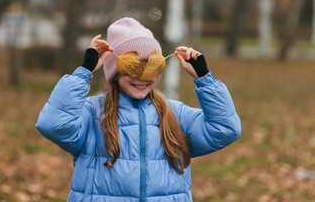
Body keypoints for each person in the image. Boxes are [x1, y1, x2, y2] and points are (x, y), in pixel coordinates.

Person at [36, 17, 241, 202]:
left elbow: (225, 129)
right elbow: (53, 124)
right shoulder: (92, 113)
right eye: (133, 68)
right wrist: (83, 73)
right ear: (115, 72)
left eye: (152, 67)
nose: (143, 78)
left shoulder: (175, 114)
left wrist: (204, 79)